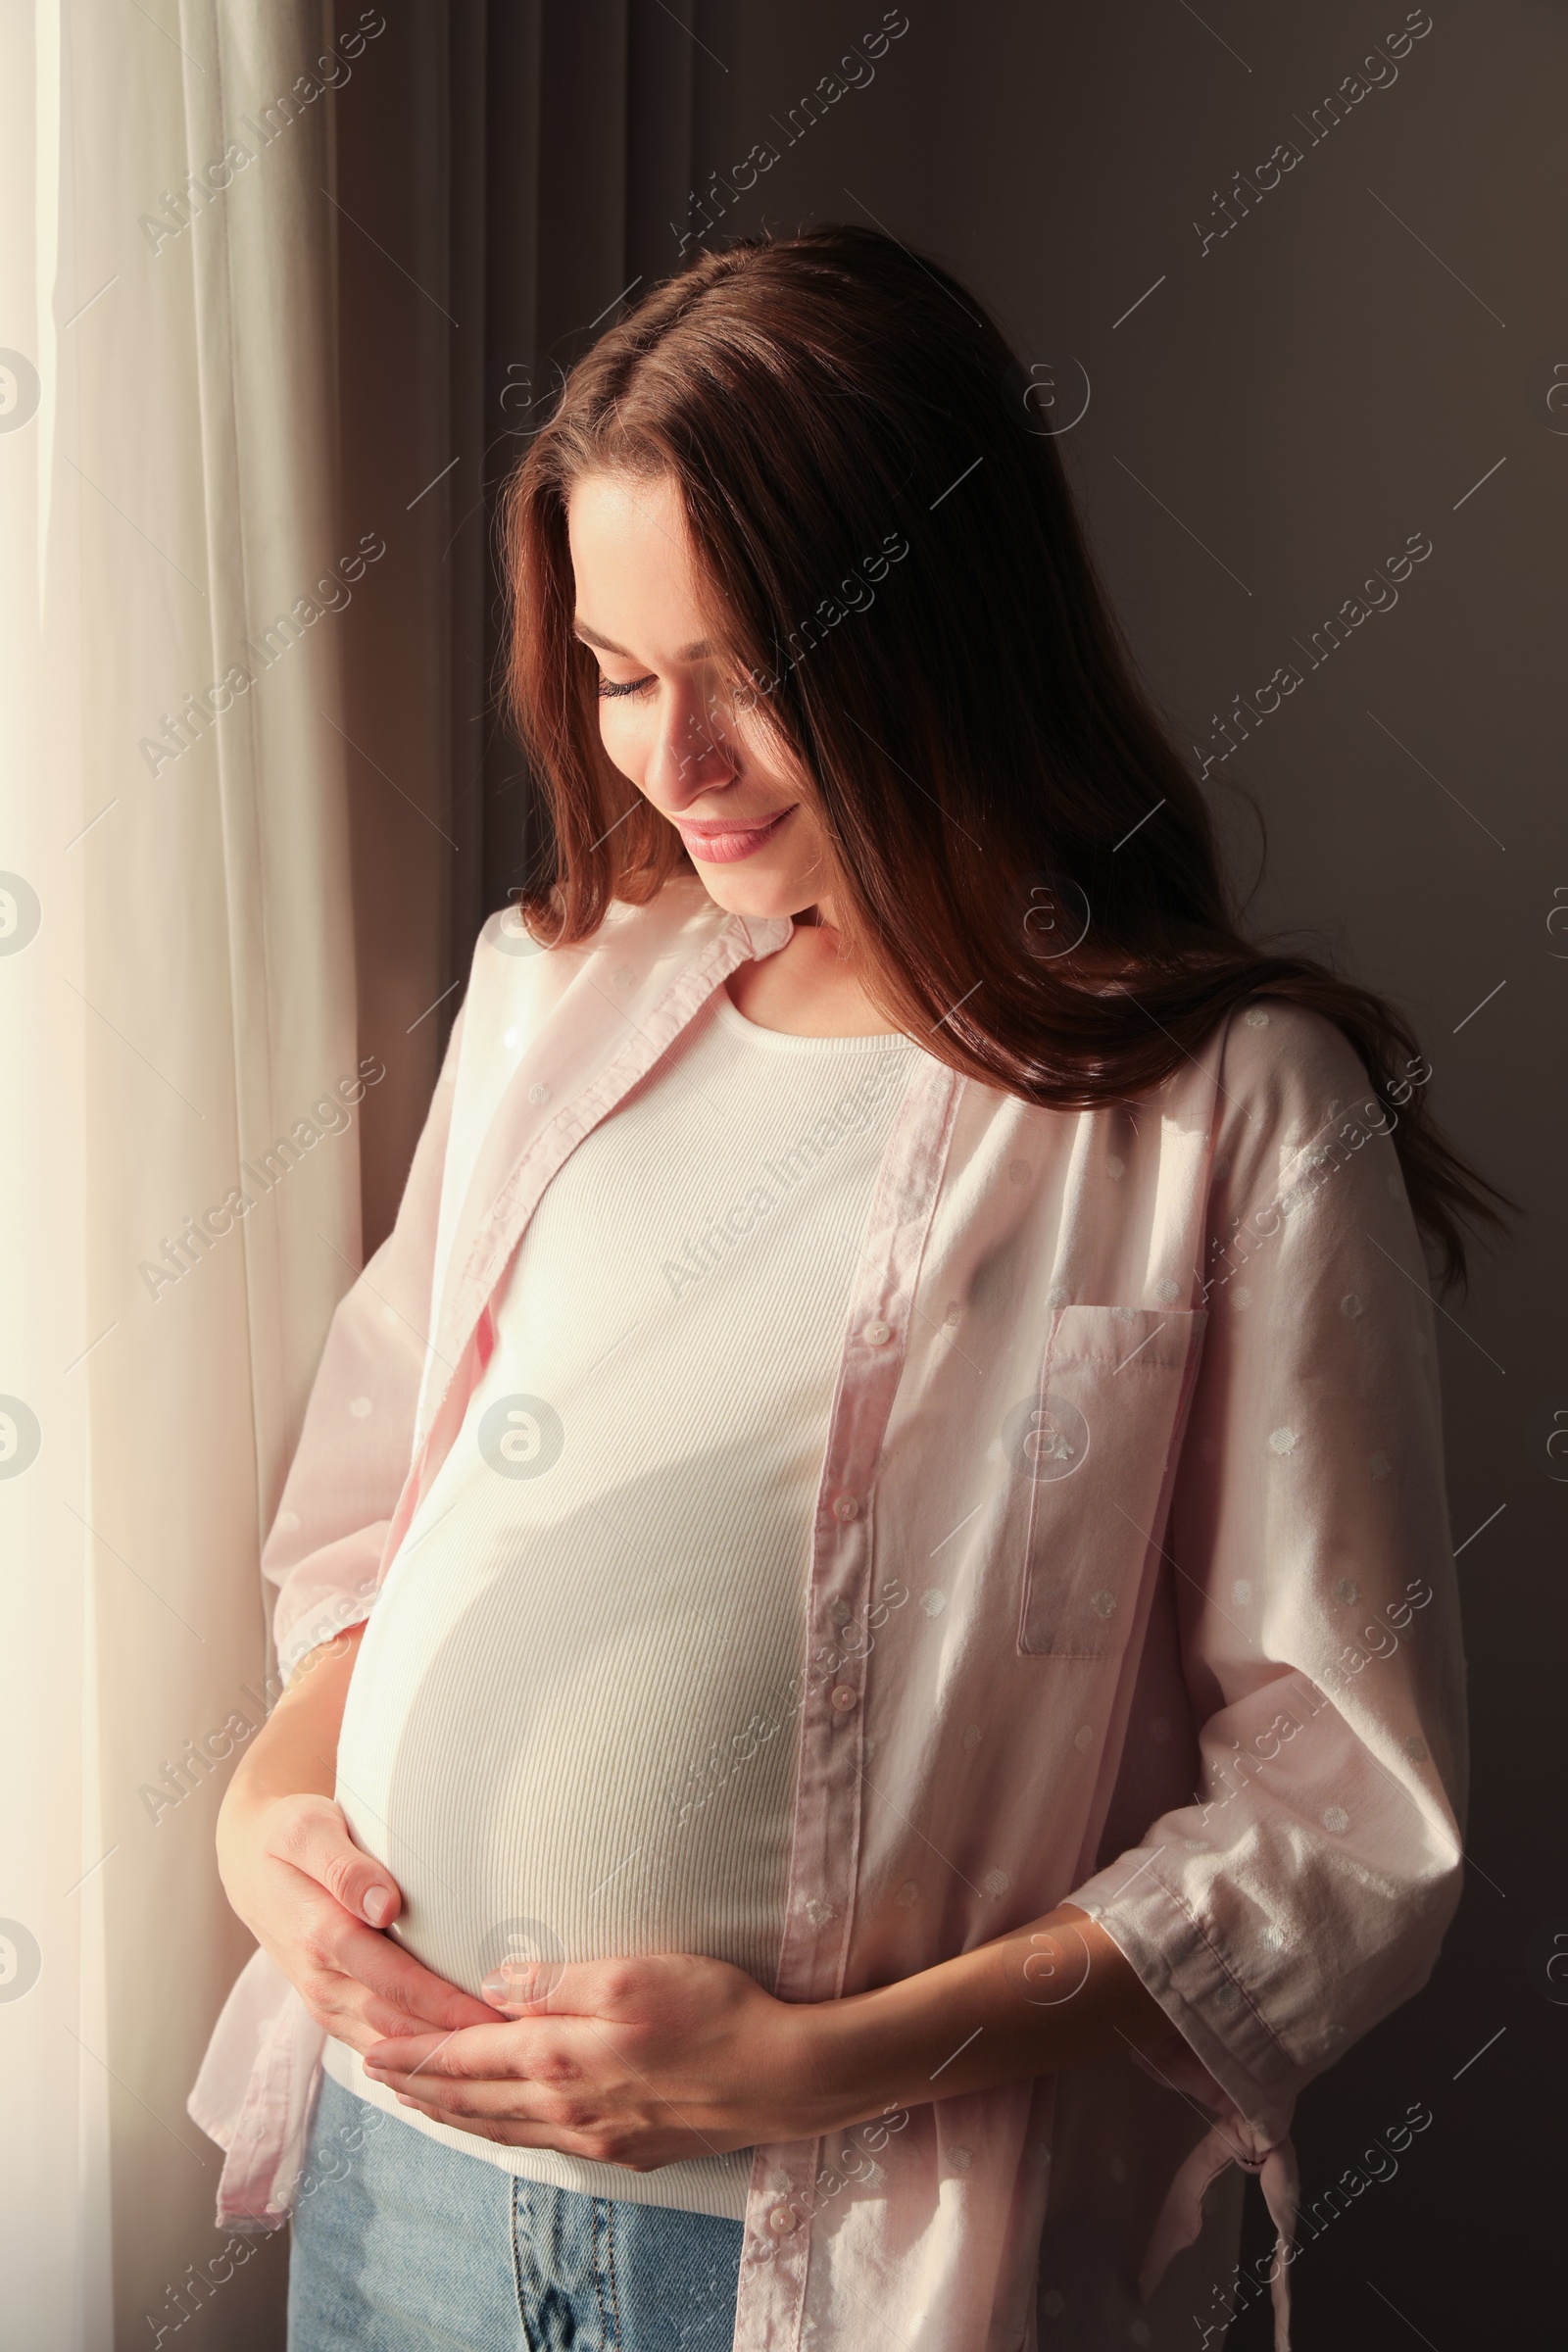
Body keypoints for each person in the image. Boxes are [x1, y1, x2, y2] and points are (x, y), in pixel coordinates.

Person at [190, 224, 1491, 2351]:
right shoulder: (558, 1000)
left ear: (938, 634)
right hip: (397, 2191)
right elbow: (374, 1532)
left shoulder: (1225, 1107)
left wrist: (815, 2064)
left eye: (743, 668)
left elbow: (1339, 1819)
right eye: (616, 672)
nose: (666, 759)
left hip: (823, 2260)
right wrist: (262, 1823)